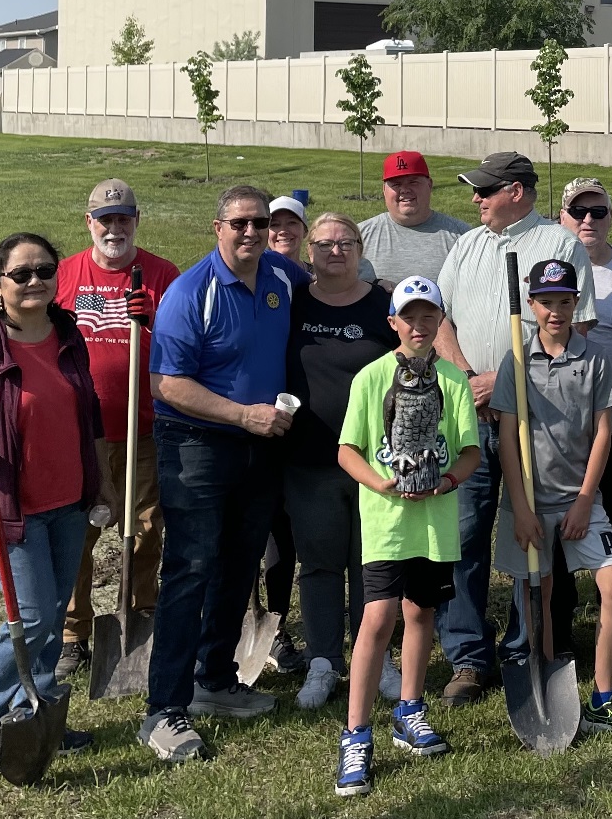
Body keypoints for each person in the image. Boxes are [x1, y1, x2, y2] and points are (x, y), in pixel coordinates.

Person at [141, 185, 311, 763]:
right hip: (198, 443)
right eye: (238, 223)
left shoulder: (283, 278)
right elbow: (167, 383)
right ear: (217, 228)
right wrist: (241, 414)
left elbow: (334, 296)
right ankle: (164, 708)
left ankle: (214, 679)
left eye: (259, 223)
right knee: (190, 568)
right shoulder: (193, 292)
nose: (250, 233)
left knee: (240, 564)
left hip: (260, 447)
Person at [0, 233, 114, 774]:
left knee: (51, 611)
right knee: (34, 619)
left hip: (69, 502)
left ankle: (30, 710)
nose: (34, 280)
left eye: (44, 270)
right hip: (8, 506)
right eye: (21, 274)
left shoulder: (68, 334)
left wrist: (104, 482)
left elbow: (91, 417)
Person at [432, 151, 596, 707]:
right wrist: (466, 379)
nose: (476, 200)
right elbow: (440, 321)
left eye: (485, 191)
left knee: (536, 532)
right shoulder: (468, 245)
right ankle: (468, 657)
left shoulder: (559, 245)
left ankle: (531, 645)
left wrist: (501, 382)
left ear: (517, 192)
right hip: (469, 415)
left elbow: (572, 327)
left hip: (536, 421)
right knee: (465, 534)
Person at [493, 260, 612, 732]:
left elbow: (603, 433)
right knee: (539, 594)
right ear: (530, 306)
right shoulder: (517, 359)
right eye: (545, 303)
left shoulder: (594, 359)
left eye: (564, 302)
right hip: (528, 503)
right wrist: (522, 510)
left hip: (580, 500)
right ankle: (552, 690)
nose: (555, 311)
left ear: (575, 304)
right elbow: (507, 439)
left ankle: (604, 696)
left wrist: (587, 499)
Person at [334, 276, 481, 797]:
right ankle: (355, 734)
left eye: (429, 317)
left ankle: (409, 710)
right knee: (378, 617)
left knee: (421, 612)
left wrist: (446, 481)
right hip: (386, 522)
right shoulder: (372, 378)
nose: (420, 326)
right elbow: (348, 450)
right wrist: (383, 483)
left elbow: (469, 450)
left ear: (441, 322)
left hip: (435, 521)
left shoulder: (452, 380)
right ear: (392, 322)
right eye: (409, 317)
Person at [53, 179, 181, 679]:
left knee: (145, 527)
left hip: (143, 428)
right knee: (78, 531)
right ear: (89, 223)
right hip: (81, 433)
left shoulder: (161, 275)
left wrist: (153, 323)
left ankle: (140, 617)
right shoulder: (64, 276)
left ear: (136, 220)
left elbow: (186, 345)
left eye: (123, 219)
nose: (114, 228)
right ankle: (72, 632)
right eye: (104, 220)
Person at [285, 212, 397, 710]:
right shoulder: (290, 305)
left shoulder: (386, 306)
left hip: (377, 462)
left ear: (360, 249)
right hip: (310, 457)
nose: (335, 251)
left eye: (346, 242)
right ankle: (323, 661)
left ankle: (379, 660)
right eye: (324, 243)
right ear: (309, 251)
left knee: (372, 563)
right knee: (320, 562)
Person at [553, 177, 612, 652]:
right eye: (578, 211)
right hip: (563, 430)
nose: (588, 220)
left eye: (599, 211)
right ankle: (560, 622)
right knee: (561, 522)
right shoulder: (549, 270)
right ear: (562, 217)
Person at [359, 152, 469, 286]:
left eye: (413, 182)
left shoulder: (462, 237)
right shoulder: (358, 237)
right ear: (384, 189)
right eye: (396, 184)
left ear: (429, 185)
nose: (405, 190)